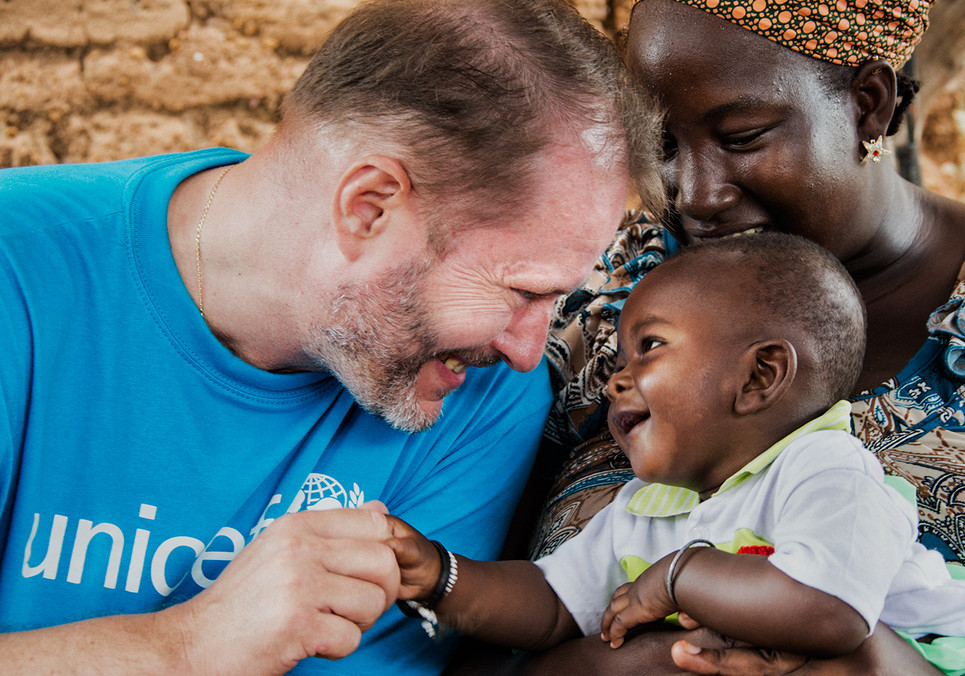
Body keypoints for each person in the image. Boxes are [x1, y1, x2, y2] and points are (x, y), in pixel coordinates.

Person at [495, 0, 965, 673]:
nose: (695, 194)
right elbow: (442, 626)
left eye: (742, 137)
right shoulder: (586, 309)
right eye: (662, 147)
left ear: (870, 102)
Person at [0, 0, 664, 673]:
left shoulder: (485, 399)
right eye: (522, 292)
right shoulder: (19, 271)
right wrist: (185, 647)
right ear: (370, 205)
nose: (529, 352)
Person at [392, 233, 965, 676]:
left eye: (649, 349)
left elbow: (831, 611)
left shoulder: (825, 472)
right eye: (618, 360)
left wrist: (678, 577)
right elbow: (553, 602)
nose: (616, 380)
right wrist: (444, 577)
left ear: (761, 377)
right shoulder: (647, 507)